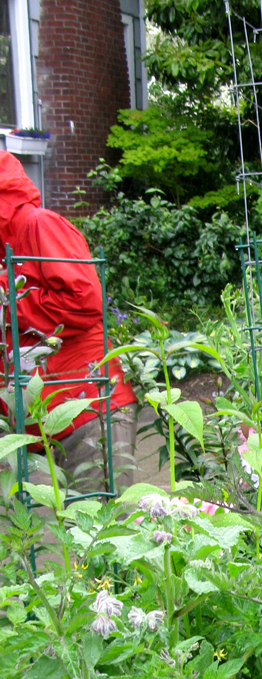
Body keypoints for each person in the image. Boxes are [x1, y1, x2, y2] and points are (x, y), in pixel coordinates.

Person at [0, 151, 137, 496]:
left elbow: (85, 300)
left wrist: (9, 302)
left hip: (91, 407)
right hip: (56, 419)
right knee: (75, 538)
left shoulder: (38, 225)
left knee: (100, 535)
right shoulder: (8, 247)